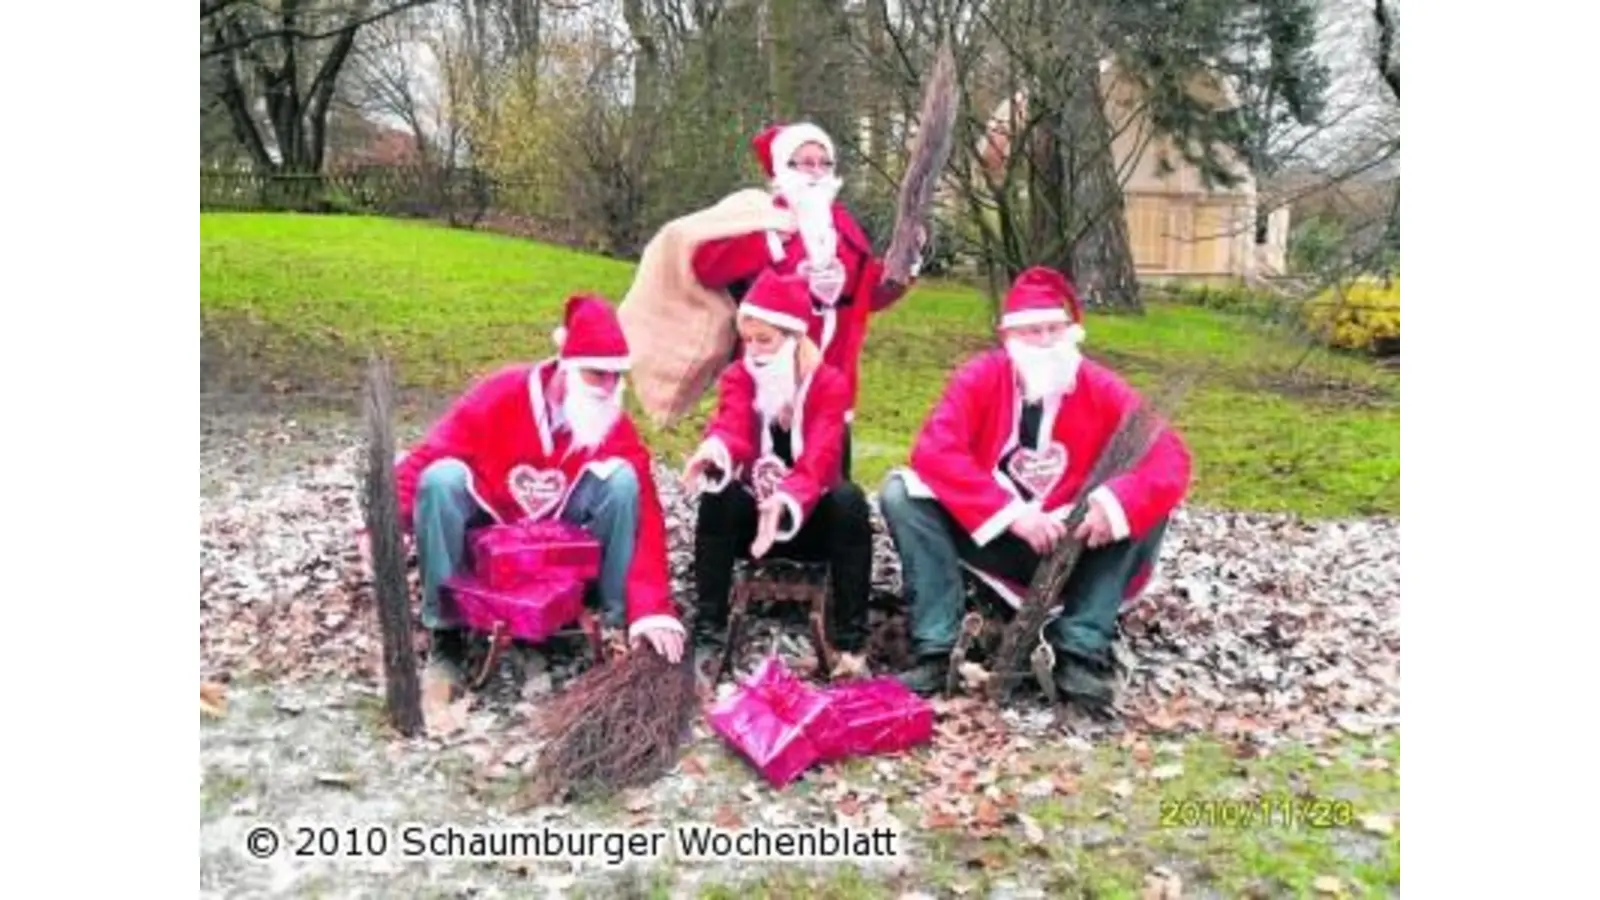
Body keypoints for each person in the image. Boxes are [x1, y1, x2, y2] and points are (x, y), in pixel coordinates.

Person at [878, 266, 1192, 709]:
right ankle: (937, 646)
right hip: (997, 536)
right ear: (1009, 338)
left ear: (1071, 333)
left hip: (1078, 541)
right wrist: (1012, 514)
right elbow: (934, 451)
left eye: (1054, 330)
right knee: (900, 493)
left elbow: (1172, 457)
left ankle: (1080, 648)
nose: (1046, 342)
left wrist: (1112, 504)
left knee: (1146, 503)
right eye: (1032, 332)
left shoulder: (1099, 386)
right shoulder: (981, 378)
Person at [391, 293, 687, 684]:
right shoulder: (501, 393)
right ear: (568, 366)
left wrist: (653, 607)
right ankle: (447, 631)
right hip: (493, 525)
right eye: (596, 374)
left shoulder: (610, 421)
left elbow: (645, 511)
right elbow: (431, 452)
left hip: (564, 538)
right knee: (440, 479)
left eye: (617, 376)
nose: (608, 387)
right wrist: (384, 522)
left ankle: (608, 621)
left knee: (623, 480)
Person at [687, 121, 927, 477]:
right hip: (768, 370)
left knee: (826, 480)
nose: (816, 172)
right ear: (785, 168)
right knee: (755, 476)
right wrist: (767, 243)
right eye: (806, 162)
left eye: (824, 163)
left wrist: (903, 265)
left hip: (831, 372)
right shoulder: (762, 219)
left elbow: (866, 295)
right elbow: (706, 264)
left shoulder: (843, 227)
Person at [680, 268, 872, 653]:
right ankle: (709, 621)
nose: (753, 351)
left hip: (810, 520)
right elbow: (730, 423)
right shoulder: (739, 376)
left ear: (792, 338)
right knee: (718, 495)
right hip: (753, 525)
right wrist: (713, 451)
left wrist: (785, 502)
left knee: (849, 500)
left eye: (764, 341)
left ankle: (851, 631)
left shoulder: (828, 384)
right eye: (747, 340)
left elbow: (821, 458)